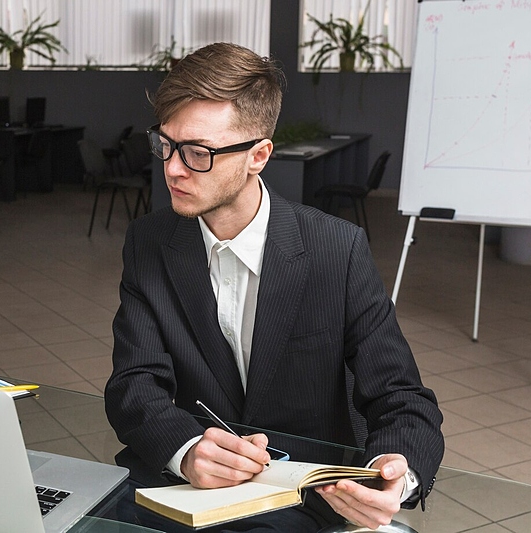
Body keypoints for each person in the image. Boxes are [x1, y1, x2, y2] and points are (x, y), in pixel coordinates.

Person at [104, 42, 444, 531]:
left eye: (198, 152)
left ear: (258, 155)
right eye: (166, 144)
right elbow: (133, 383)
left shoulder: (337, 249)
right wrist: (183, 450)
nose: (173, 168)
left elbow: (401, 397)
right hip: (182, 492)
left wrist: (399, 474)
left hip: (300, 498)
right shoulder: (148, 240)